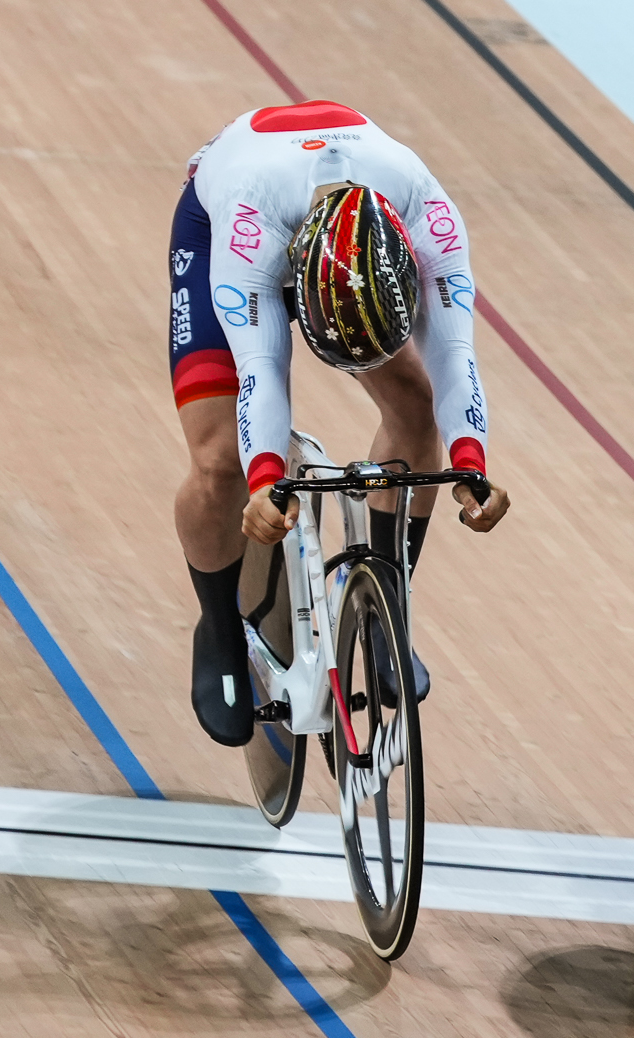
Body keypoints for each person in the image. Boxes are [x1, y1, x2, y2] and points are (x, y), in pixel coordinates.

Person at [169, 99, 511, 747]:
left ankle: (386, 611)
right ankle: (218, 627)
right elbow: (261, 368)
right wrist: (265, 473)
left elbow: (454, 355)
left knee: (414, 406)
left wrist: (471, 459)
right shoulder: (250, 224)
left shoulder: (430, 216)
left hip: (353, 226)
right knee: (220, 463)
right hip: (226, 224)